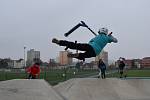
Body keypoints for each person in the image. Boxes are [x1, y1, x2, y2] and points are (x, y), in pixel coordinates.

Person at [52, 27, 118, 61]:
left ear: (100, 31)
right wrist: (111, 37)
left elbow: (91, 42)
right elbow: (116, 41)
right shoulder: (108, 38)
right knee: (83, 55)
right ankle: (77, 55)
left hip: (90, 46)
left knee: (75, 45)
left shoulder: (97, 36)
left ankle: (59, 42)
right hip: (95, 53)